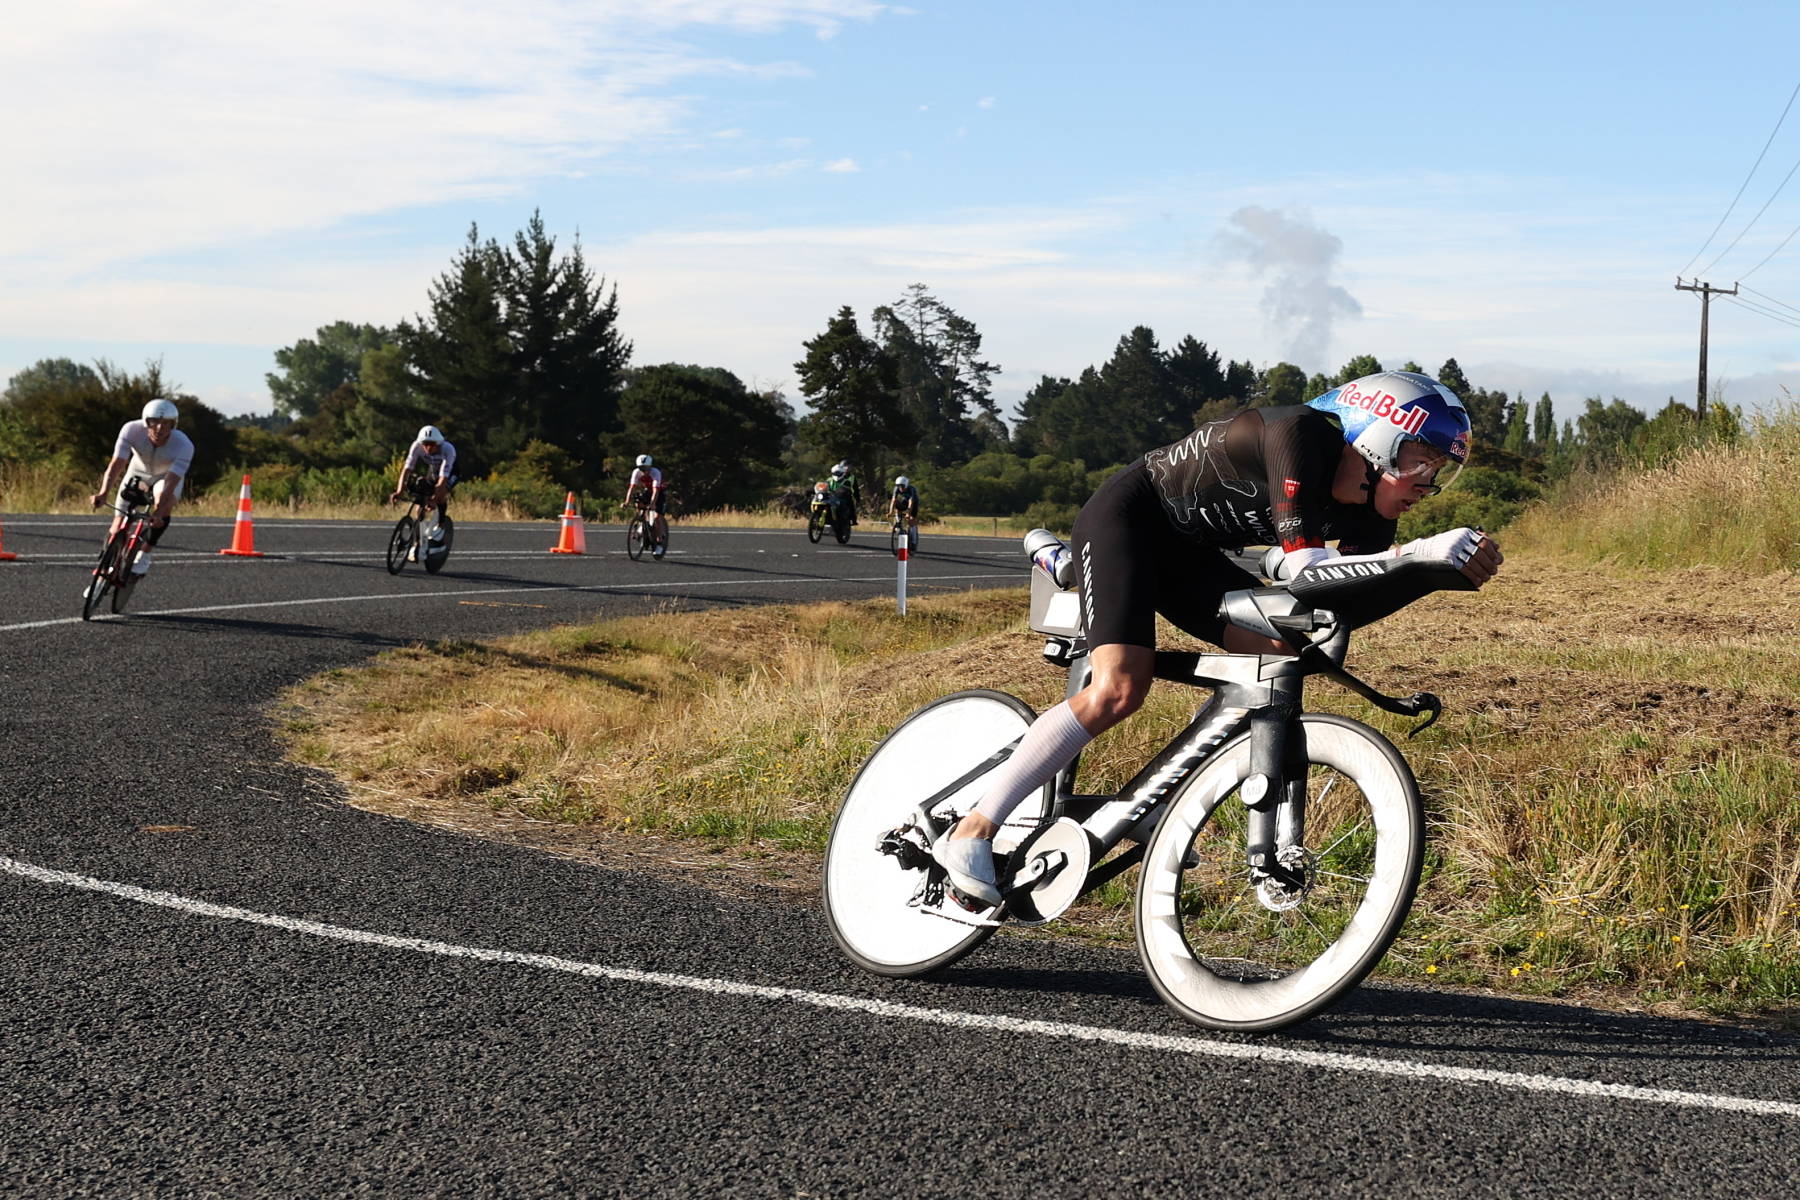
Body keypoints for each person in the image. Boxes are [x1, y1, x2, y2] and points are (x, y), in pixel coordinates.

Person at [934, 370, 1505, 906]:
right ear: (1377, 438)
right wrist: (1413, 557)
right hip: (1129, 522)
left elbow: (1329, 610)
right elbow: (1308, 574)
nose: (1425, 486)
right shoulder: (1298, 435)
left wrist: (1427, 579)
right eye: (1419, 462)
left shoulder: (1372, 512)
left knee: (1280, 651)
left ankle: (1160, 790)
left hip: (1189, 555)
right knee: (1119, 689)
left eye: (1436, 472)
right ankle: (973, 830)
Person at [88, 398, 194, 587]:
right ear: (146, 422)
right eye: (154, 423)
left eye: (167, 425)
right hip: (138, 472)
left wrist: (159, 512)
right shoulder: (131, 429)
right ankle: (104, 567)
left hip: (165, 476)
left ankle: (145, 553)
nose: (160, 430)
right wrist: (103, 493)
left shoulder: (184, 445)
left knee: (163, 498)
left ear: (174, 425)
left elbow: (172, 481)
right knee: (118, 523)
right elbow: (117, 463)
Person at [389, 425, 457, 561]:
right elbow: (406, 469)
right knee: (420, 499)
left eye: (432, 445)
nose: (428, 448)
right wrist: (399, 491)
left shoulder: (447, 449)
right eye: (425, 445)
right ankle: (418, 542)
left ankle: (441, 523)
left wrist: (434, 499)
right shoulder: (416, 446)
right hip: (433, 470)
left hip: (451, 471)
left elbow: (443, 478)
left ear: (438, 443)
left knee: (441, 493)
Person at [624, 453, 668, 558]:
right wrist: (626, 501)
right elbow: (631, 488)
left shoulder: (655, 473)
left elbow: (655, 491)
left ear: (651, 466)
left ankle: (659, 543)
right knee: (639, 502)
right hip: (648, 490)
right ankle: (641, 523)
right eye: (641, 468)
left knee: (657, 517)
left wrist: (653, 504)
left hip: (659, 492)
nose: (644, 471)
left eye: (646, 468)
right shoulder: (636, 473)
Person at [827, 461, 861, 525]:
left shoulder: (851, 478)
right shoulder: (831, 478)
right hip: (831, 495)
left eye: (850, 466)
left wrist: (857, 499)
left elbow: (855, 489)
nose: (849, 468)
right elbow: (825, 484)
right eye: (847, 466)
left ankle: (853, 519)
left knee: (850, 504)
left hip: (844, 495)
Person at [887, 475, 920, 541]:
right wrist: (890, 512)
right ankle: (898, 523)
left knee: (911, 521)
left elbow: (910, 503)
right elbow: (893, 500)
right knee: (897, 506)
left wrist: (908, 513)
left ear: (906, 485)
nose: (901, 488)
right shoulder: (896, 489)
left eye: (902, 486)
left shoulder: (911, 489)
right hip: (905, 501)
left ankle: (913, 539)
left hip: (914, 502)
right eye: (899, 486)